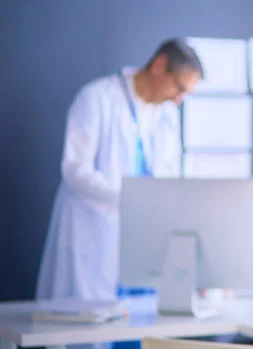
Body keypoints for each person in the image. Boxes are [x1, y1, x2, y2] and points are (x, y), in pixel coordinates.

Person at [36, 38, 203, 302]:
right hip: (95, 232)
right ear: (159, 66)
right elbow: (75, 169)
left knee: (143, 325)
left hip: (144, 238)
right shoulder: (97, 97)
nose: (179, 100)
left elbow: (170, 174)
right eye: (179, 88)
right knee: (90, 326)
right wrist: (127, 198)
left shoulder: (167, 115)